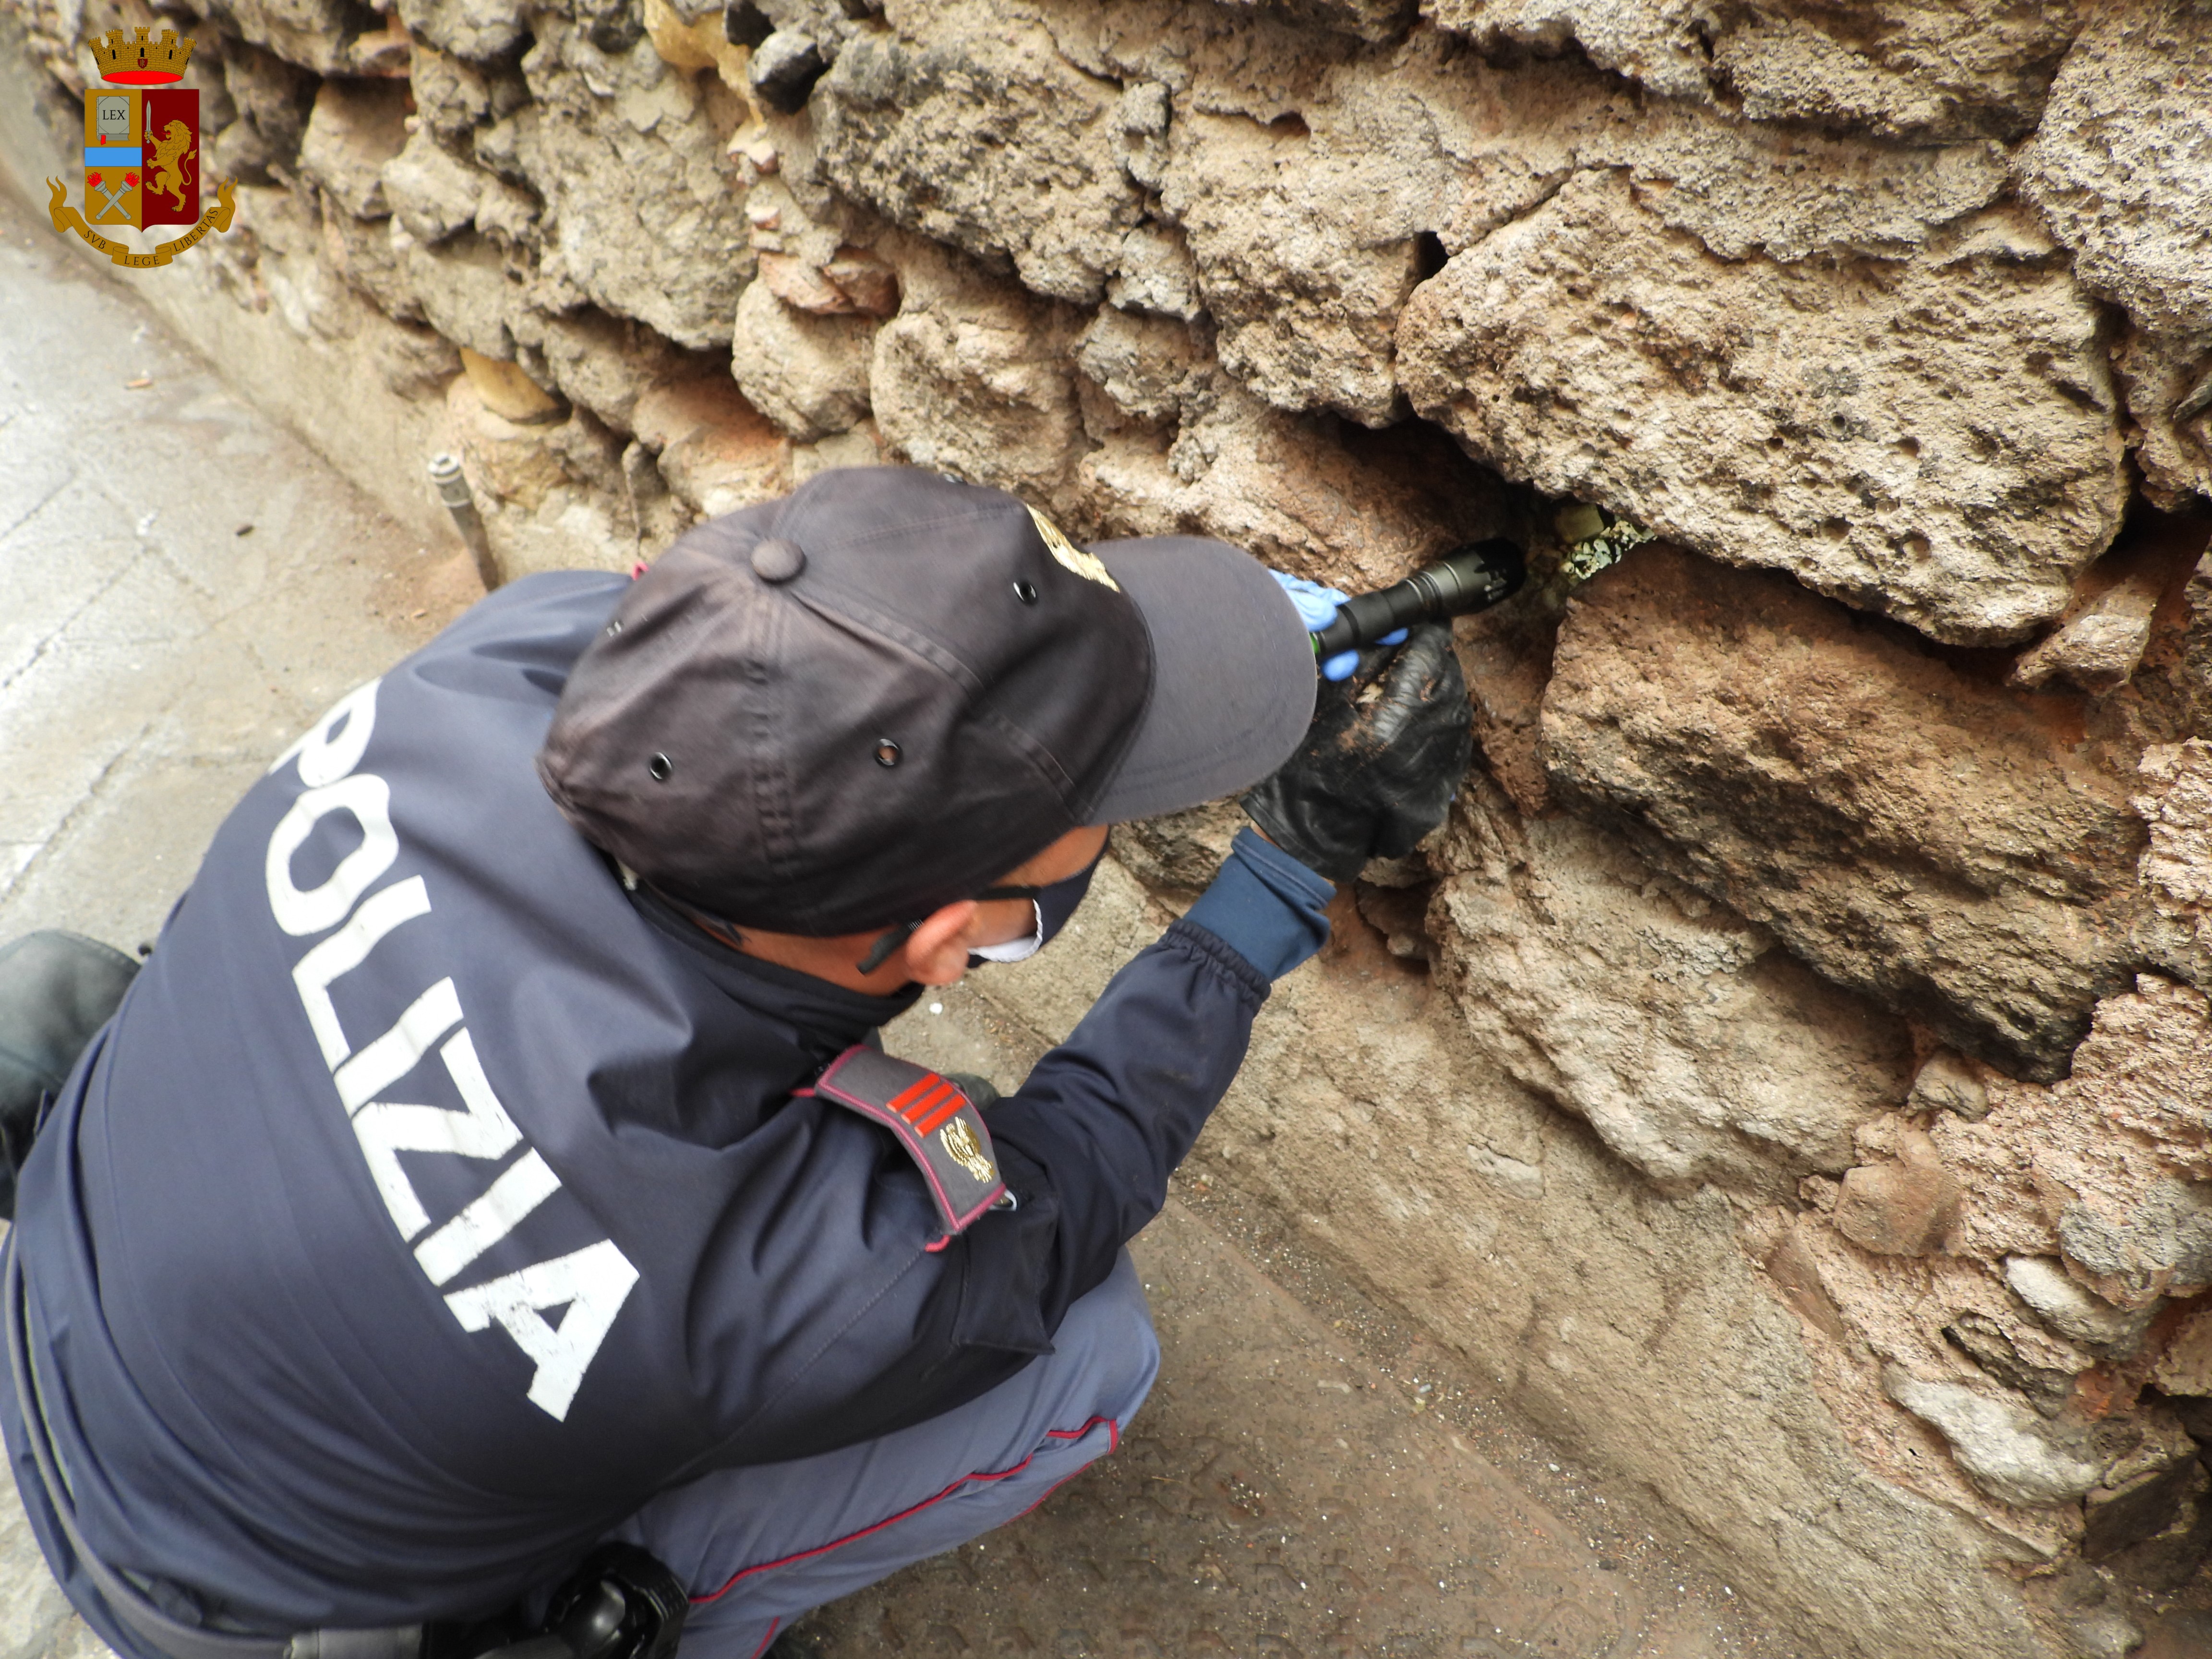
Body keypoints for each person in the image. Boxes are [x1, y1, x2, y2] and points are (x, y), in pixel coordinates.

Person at [0, 467, 1471, 1659]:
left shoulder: (510, 660)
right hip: (241, 1599)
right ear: (954, 940)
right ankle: (613, 1626)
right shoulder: (762, 1278)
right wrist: (1286, 868)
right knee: (1087, 1357)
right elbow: (1064, 1192)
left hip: (74, 1310)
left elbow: (843, 669)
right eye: (1105, 800)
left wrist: (1144, 664)